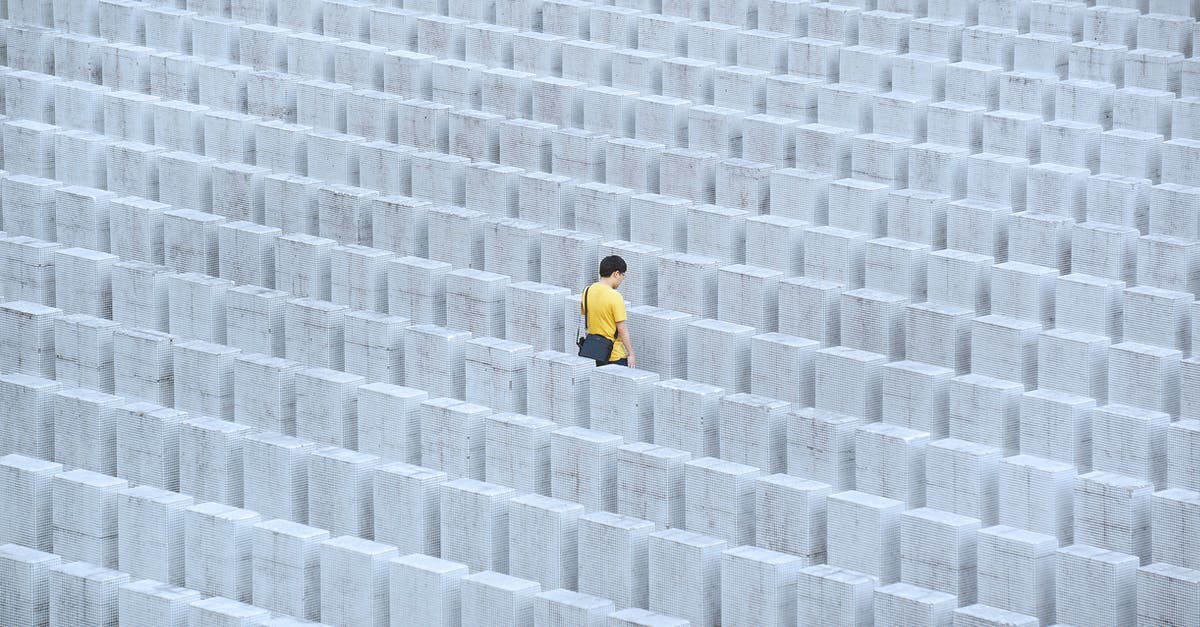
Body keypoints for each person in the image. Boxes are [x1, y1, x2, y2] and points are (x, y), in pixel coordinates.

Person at [582, 255, 636, 368]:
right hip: (614, 355)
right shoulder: (615, 296)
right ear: (616, 273)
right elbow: (621, 328)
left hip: (593, 352)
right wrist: (631, 353)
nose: (621, 279)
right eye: (622, 275)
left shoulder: (587, 291)